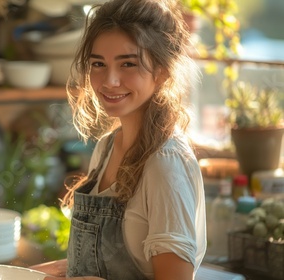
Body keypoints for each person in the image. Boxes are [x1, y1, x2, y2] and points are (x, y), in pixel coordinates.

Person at [30, 0, 206, 279]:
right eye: (98, 63)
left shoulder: (165, 164)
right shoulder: (107, 147)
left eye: (128, 64)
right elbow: (96, 266)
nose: (109, 80)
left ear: (161, 72)